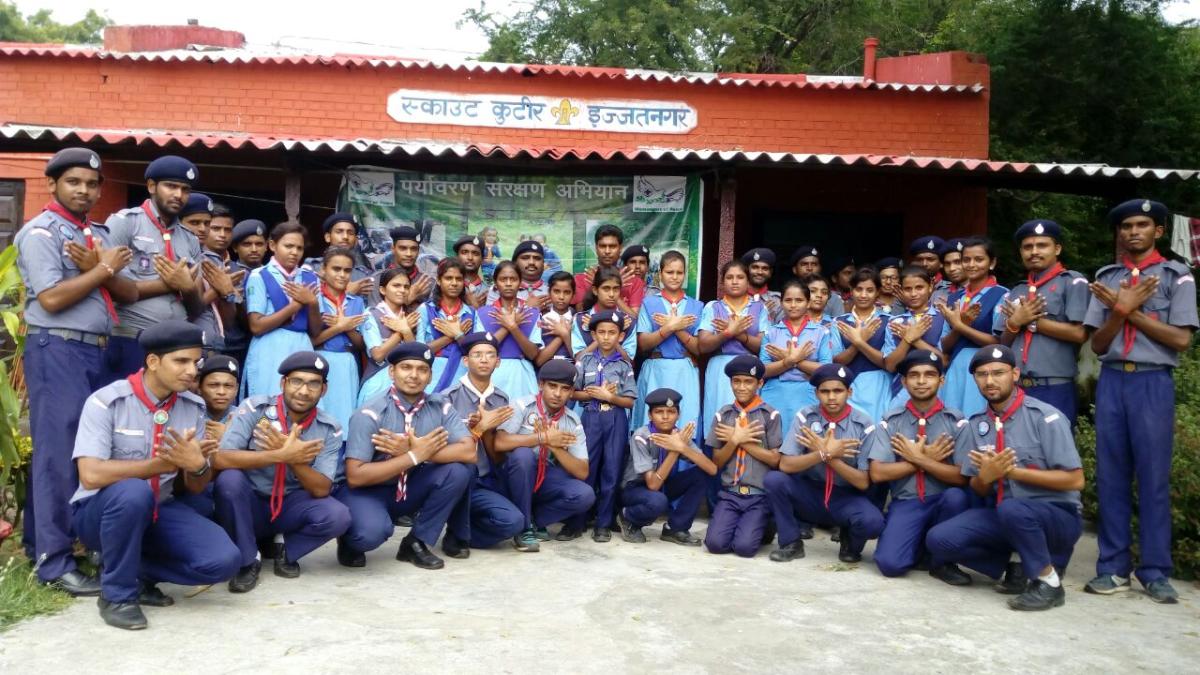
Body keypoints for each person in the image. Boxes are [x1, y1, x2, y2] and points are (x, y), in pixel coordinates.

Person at [17, 148, 135, 596]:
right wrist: (103, 268)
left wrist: (103, 269)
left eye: (91, 183)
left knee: (80, 449)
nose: (84, 190)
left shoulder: (95, 233)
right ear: (52, 184)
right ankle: (55, 562)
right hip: (58, 347)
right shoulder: (41, 233)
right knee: (58, 451)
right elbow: (50, 299)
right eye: (73, 182)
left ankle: (41, 545)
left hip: (94, 350)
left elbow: (123, 293)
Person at [70, 321, 240, 629]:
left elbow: (197, 486)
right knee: (134, 492)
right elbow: (91, 475)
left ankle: (138, 571)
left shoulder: (194, 406)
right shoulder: (106, 402)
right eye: (182, 361)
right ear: (152, 362)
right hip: (101, 513)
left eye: (196, 362)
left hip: (161, 508)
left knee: (224, 560)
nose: (192, 371)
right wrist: (158, 466)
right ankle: (118, 596)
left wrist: (197, 464)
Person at [1082, 199, 1197, 604]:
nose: (1133, 231)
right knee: (1111, 477)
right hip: (1113, 380)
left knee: (1152, 478)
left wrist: (1129, 311)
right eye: (1126, 226)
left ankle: (1155, 570)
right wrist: (1118, 309)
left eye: (1142, 225)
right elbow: (1097, 344)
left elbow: (1181, 340)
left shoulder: (1176, 277)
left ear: (1159, 231)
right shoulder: (1107, 277)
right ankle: (1112, 569)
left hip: (1152, 383)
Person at [925, 345, 1085, 611]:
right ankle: (1018, 565)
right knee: (939, 539)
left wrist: (1011, 472)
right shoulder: (976, 425)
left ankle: (1049, 583)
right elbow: (978, 486)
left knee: (1013, 509)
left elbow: (1075, 480)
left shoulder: (1045, 417)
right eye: (982, 374)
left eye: (998, 373)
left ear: (1015, 374)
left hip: (1056, 516)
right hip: (1007, 516)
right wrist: (986, 478)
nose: (990, 381)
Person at [212, 352, 351, 591]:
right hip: (251, 502)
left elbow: (321, 488)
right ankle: (247, 560)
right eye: (297, 381)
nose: (304, 391)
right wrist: (278, 455)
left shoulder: (330, 428)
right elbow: (220, 459)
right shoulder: (255, 409)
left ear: (324, 390)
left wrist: (295, 460)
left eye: (313, 384)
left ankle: (286, 550)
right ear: (283, 383)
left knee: (338, 516)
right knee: (229, 480)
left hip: (290, 505)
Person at [336, 342, 476, 569]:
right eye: (406, 367)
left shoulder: (440, 406)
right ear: (392, 372)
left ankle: (416, 542)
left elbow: (469, 451)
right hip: (367, 491)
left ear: (431, 376)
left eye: (422, 369)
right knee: (369, 534)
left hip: (409, 487)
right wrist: (413, 455)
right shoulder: (370, 413)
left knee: (460, 470)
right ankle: (349, 538)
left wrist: (419, 453)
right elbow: (355, 476)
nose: (414, 375)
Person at [865, 350, 971, 582]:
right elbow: (878, 473)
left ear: (941, 380)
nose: (921, 381)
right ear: (904, 381)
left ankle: (943, 562)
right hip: (907, 502)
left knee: (957, 497)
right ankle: (920, 547)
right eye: (914, 375)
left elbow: (962, 477)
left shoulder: (957, 422)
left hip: (942, 501)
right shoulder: (891, 421)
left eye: (929, 375)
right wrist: (925, 460)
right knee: (889, 564)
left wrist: (920, 459)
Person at [763, 364, 883, 563]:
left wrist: (831, 457)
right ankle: (791, 542)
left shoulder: (864, 424)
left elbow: (863, 482)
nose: (832, 397)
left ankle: (849, 542)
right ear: (816, 393)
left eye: (838, 391)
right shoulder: (806, 417)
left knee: (873, 523)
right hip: (810, 492)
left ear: (849, 392)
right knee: (774, 480)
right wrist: (822, 453)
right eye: (825, 391)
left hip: (845, 497)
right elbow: (785, 465)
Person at [103, 155, 205, 382]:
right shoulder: (125, 223)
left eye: (185, 189)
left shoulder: (190, 239)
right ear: (151, 186)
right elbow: (110, 285)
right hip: (131, 338)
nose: (178, 195)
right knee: (127, 412)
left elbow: (197, 308)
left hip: (174, 345)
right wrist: (169, 284)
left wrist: (188, 288)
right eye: (171, 186)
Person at [996, 220, 1089, 427]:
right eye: (1027, 247)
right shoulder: (1018, 290)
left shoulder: (1072, 282)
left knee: (1055, 453)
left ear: (1057, 248)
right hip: (1017, 385)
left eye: (1042, 245)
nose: (1034, 252)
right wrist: (1014, 323)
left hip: (1055, 386)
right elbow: (1003, 342)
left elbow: (1080, 334)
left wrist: (1033, 323)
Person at [494, 359, 594, 550]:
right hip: (513, 478)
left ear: (572, 393)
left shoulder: (572, 421)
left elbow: (582, 471)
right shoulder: (522, 406)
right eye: (552, 386)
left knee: (584, 494)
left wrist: (555, 446)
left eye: (565, 389)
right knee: (524, 456)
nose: (558, 394)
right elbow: (499, 442)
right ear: (541, 385)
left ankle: (534, 519)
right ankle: (523, 530)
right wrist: (542, 437)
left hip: (544, 479)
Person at [442, 332, 524, 549]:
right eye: (477, 354)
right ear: (465, 361)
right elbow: (443, 449)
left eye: (490, 355)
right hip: (454, 480)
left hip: (484, 480)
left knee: (513, 522)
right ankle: (454, 533)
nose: (484, 359)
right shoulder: (447, 398)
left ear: (498, 362)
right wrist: (477, 428)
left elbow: (496, 456)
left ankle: (465, 532)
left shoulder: (501, 399)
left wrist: (487, 431)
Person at [565, 310, 637, 542]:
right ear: (594, 334)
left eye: (612, 333)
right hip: (590, 418)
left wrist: (610, 397)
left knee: (611, 472)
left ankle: (603, 524)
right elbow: (571, 393)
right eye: (602, 332)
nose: (606, 337)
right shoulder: (584, 361)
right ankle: (576, 521)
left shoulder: (624, 365)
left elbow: (629, 400)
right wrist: (591, 394)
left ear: (621, 336)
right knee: (586, 468)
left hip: (615, 419)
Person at [704, 355, 782, 557]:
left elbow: (775, 460)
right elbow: (717, 462)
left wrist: (743, 440)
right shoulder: (724, 415)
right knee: (715, 544)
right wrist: (734, 440)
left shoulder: (770, 415)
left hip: (758, 496)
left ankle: (767, 524)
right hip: (730, 494)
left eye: (748, 382)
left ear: (760, 383)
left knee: (744, 549)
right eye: (736, 381)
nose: (741, 387)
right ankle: (744, 525)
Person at [617, 388, 716, 545]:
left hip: (662, 485)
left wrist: (683, 447)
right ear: (650, 415)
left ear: (678, 414)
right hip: (635, 489)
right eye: (659, 412)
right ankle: (628, 517)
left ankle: (675, 528)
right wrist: (675, 451)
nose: (665, 417)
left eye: (671, 411)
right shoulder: (641, 436)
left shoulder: (679, 436)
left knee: (701, 473)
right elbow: (652, 485)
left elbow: (712, 469)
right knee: (658, 501)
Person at [242, 222, 318, 398]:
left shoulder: (310, 277)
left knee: (301, 398)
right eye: (288, 246)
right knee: (267, 399)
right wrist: (295, 306)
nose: (294, 252)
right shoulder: (259, 276)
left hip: (302, 345)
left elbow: (315, 330)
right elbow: (256, 327)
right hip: (269, 347)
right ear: (272, 245)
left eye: (299, 248)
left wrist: (313, 303)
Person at [633, 251, 702, 435]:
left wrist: (675, 327)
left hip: (684, 370)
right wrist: (669, 328)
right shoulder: (649, 304)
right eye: (670, 272)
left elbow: (698, 347)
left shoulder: (696, 306)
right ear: (661, 274)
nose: (675, 277)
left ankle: (682, 462)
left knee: (684, 420)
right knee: (653, 423)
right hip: (656, 369)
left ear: (685, 274)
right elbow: (643, 344)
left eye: (679, 272)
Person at [937, 237, 1006, 418]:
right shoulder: (955, 298)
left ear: (992, 263)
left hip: (986, 366)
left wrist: (961, 326)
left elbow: (998, 341)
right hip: (956, 366)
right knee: (952, 422)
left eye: (979, 259)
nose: (971, 264)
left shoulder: (1002, 294)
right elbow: (944, 344)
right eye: (966, 260)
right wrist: (959, 327)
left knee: (980, 421)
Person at [697, 260, 770, 429]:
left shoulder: (759, 308)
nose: (735, 281)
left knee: (750, 417)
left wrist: (739, 334)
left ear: (748, 281)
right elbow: (703, 345)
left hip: (750, 367)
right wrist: (727, 333)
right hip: (720, 368)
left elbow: (763, 346)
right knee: (719, 416)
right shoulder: (713, 307)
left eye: (740, 277)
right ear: (722, 282)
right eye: (729, 277)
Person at [311, 247, 371, 430]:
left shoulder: (356, 302)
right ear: (323, 270)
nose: (342, 275)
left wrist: (348, 328)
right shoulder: (314, 298)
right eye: (336, 269)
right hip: (320, 359)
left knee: (344, 416)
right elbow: (311, 341)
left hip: (347, 362)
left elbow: (361, 344)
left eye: (347, 270)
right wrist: (340, 327)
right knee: (319, 411)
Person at [176, 354, 241, 519]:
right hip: (192, 488)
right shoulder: (188, 412)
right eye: (213, 385)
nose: (221, 392)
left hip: (231, 490)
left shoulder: (246, 416)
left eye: (228, 386)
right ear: (199, 387)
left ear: (237, 389)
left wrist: (228, 436)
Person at [759, 279, 831, 428]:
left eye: (799, 300)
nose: (793, 305)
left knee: (804, 443)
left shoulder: (821, 332)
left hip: (809, 393)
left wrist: (793, 360)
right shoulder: (771, 332)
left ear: (808, 302)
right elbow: (763, 370)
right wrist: (789, 361)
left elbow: (826, 370)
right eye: (788, 300)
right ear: (781, 302)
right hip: (774, 393)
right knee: (774, 442)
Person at [882, 265, 947, 407]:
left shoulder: (943, 317)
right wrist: (907, 340)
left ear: (930, 287)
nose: (913, 293)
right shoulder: (894, 322)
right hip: (902, 392)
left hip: (936, 390)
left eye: (919, 287)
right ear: (900, 290)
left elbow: (943, 361)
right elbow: (890, 365)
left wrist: (915, 340)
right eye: (907, 289)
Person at [477, 260, 543, 399]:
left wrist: (514, 328)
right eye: (503, 279)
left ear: (520, 283)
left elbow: (533, 354)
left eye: (513, 279)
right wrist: (509, 327)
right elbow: (481, 350)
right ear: (495, 283)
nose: (508, 283)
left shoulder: (532, 313)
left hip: (521, 377)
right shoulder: (482, 313)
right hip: (492, 373)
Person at [833, 268, 893, 422]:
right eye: (859, 289)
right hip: (846, 383)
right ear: (851, 290)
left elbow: (887, 362)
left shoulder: (889, 321)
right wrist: (858, 343)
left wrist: (859, 341)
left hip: (878, 386)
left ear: (878, 292)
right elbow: (837, 361)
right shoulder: (839, 322)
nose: (864, 295)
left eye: (870, 290)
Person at [359, 268, 424, 406]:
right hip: (378, 380)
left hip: (408, 382)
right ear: (382, 290)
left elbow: (417, 354)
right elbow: (377, 355)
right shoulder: (372, 314)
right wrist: (400, 332)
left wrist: (406, 330)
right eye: (396, 285)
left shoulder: (412, 316)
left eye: (406, 287)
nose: (402, 290)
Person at [419, 258, 479, 393]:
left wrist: (458, 334)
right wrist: (452, 336)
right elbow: (420, 350)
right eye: (448, 278)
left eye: (458, 279)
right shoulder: (426, 310)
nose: (454, 283)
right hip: (432, 374)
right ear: (439, 281)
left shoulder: (472, 313)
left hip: (463, 375)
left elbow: (476, 352)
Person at [224, 219, 269, 369]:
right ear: (235, 248)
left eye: (259, 244)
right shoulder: (228, 271)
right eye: (247, 244)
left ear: (267, 246)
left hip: (264, 345)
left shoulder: (272, 274)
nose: (254, 249)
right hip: (233, 345)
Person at [573, 224, 645, 315]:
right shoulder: (581, 279)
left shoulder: (635, 282)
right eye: (603, 246)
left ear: (620, 248)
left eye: (612, 246)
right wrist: (598, 284)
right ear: (596, 248)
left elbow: (634, 317)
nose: (607, 251)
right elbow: (581, 312)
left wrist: (616, 286)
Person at [303, 212, 376, 299]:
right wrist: (348, 292)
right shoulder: (312, 267)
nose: (345, 236)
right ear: (327, 237)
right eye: (339, 232)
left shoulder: (364, 275)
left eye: (350, 233)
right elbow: (307, 302)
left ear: (356, 240)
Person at [571, 267, 638, 359]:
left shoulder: (629, 321)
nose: (611, 294)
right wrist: (596, 329)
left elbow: (628, 361)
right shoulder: (580, 320)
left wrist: (618, 329)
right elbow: (578, 358)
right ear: (595, 290)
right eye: (606, 289)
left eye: (616, 289)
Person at [370, 226, 432, 310]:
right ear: (393, 249)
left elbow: (433, 317)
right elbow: (376, 317)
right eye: (403, 248)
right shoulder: (377, 279)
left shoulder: (427, 282)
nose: (409, 254)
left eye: (414, 249)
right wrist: (408, 299)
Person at [535, 271, 576, 364]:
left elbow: (580, 360)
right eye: (556, 291)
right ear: (549, 292)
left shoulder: (578, 320)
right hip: (547, 372)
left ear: (573, 294)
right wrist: (562, 335)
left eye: (567, 292)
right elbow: (539, 361)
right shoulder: (541, 320)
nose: (561, 297)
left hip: (572, 373)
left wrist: (565, 334)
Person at [790, 244, 843, 316]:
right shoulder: (788, 296)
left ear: (820, 268)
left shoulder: (833, 298)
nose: (809, 268)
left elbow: (839, 325)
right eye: (804, 264)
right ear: (794, 269)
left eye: (814, 264)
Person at [908, 235, 951, 305]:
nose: (924, 264)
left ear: (941, 263)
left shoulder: (951, 289)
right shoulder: (905, 289)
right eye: (919, 259)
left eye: (930, 259)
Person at [743, 247, 783, 321]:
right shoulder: (737, 297)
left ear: (770, 273)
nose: (760, 272)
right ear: (747, 270)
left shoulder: (778, 300)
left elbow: (781, 330)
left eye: (765, 268)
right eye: (755, 267)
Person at [453, 234, 489, 308]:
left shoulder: (488, 292)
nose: (470, 258)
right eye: (465, 252)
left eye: (475, 254)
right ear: (457, 257)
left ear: (482, 259)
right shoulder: (446, 287)